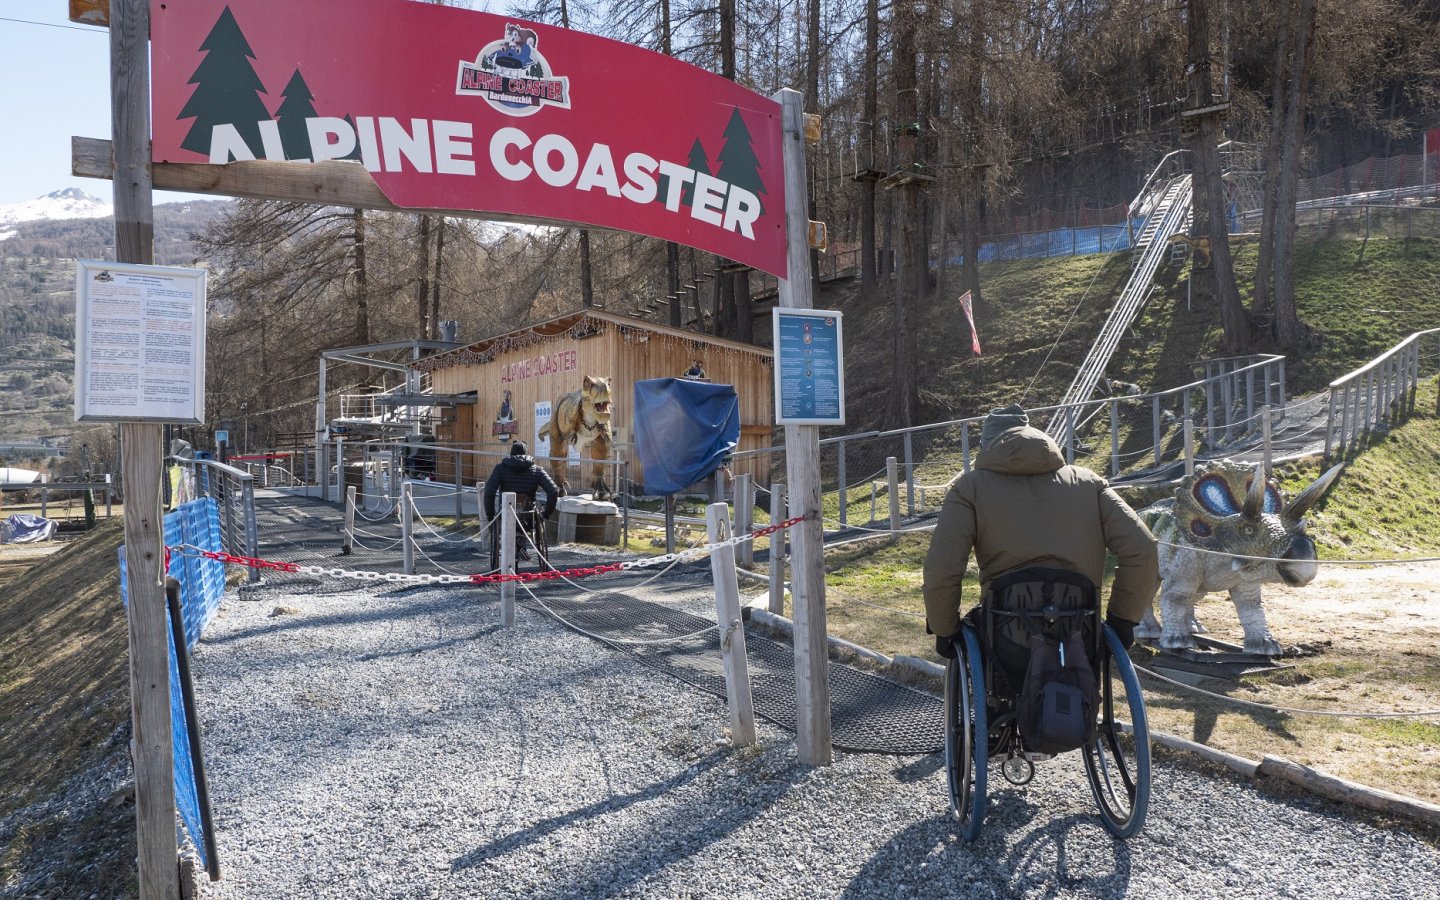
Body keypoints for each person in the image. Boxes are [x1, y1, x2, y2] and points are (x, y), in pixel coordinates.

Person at [922, 404, 1158, 658]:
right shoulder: (1089, 483)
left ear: (987, 444)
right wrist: (1122, 621)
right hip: (1079, 631)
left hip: (1006, 636)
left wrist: (944, 629)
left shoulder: (969, 488)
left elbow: (942, 568)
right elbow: (1142, 548)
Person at [483, 441, 563, 561]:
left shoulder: (500, 469)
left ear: (511, 453)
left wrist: (490, 515)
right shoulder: (537, 470)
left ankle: (509, 555)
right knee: (529, 514)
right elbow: (553, 490)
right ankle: (521, 546)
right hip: (529, 518)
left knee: (504, 519)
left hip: (505, 515)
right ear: (526, 453)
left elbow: (489, 491)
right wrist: (546, 514)